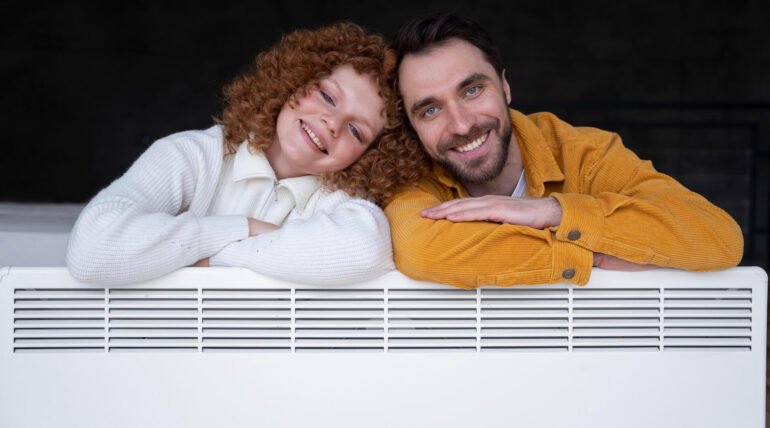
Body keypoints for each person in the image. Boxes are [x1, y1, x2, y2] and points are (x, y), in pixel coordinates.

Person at [385, 13, 744, 289]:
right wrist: (595, 255)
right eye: (430, 110)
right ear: (412, 126)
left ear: (505, 86)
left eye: (472, 90)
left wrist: (553, 212)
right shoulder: (409, 173)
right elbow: (421, 250)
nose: (462, 125)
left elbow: (718, 236)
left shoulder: (586, 155)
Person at [66, 22, 426, 286]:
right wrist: (244, 228)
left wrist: (218, 260)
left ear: (371, 155)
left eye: (356, 131)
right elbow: (93, 250)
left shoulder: (337, 198)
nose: (332, 123)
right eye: (327, 96)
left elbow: (365, 248)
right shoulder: (195, 155)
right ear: (294, 80)